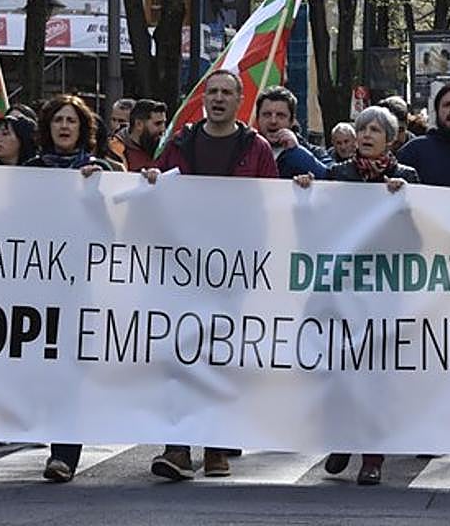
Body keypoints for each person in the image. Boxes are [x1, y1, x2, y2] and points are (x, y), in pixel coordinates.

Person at [146, 70, 277, 481]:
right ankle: (178, 447)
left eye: (227, 92)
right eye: (212, 92)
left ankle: (217, 445)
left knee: (221, 355)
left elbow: (272, 204)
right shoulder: (181, 143)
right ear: (203, 98)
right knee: (182, 354)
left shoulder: (255, 149)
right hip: (184, 268)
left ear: (240, 100)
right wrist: (151, 180)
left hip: (233, 271)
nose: (218, 98)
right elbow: (157, 194)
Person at [293, 105, 417, 486]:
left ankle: (372, 455)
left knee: (375, 373)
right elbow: (319, 223)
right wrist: (304, 193)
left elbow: (416, 234)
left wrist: (404, 201)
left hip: (382, 291)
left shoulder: (406, 177)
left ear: (391, 138)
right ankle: (342, 440)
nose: (366, 136)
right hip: (343, 289)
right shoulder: (337, 174)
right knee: (341, 369)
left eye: (375, 130)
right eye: (363, 129)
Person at [33, 95, 112, 482]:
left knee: (71, 369)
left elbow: (118, 227)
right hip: (35, 287)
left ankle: (63, 454)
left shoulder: (102, 171)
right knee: (41, 370)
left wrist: (98, 189)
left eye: (72, 121)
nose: (65, 127)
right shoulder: (29, 171)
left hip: (83, 287)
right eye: (58, 120)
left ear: (84, 130)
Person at [255, 85, 328, 179]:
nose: (273, 121)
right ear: (257, 118)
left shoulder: (314, 153)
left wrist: (296, 151)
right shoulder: (244, 151)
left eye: (280, 116)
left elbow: (331, 178)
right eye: (267, 115)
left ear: (292, 120)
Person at [120, 99, 167, 172]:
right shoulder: (116, 149)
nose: (163, 129)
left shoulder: (165, 150)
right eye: (158, 124)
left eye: (164, 123)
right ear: (139, 124)